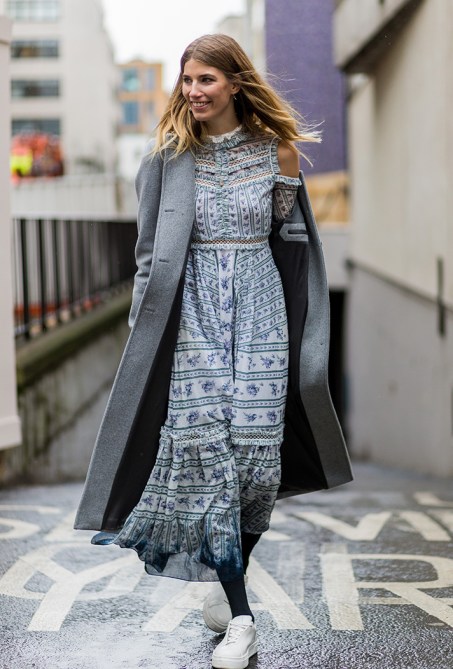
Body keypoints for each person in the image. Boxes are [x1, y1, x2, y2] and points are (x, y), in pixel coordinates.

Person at [75, 34, 352, 669]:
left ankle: (228, 579)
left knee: (257, 463)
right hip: (192, 320)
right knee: (207, 458)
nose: (194, 91)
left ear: (234, 83)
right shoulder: (167, 159)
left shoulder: (278, 152)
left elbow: (290, 245)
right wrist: (145, 335)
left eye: (207, 79)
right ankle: (242, 619)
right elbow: (149, 256)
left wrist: (304, 330)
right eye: (187, 79)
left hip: (260, 315)